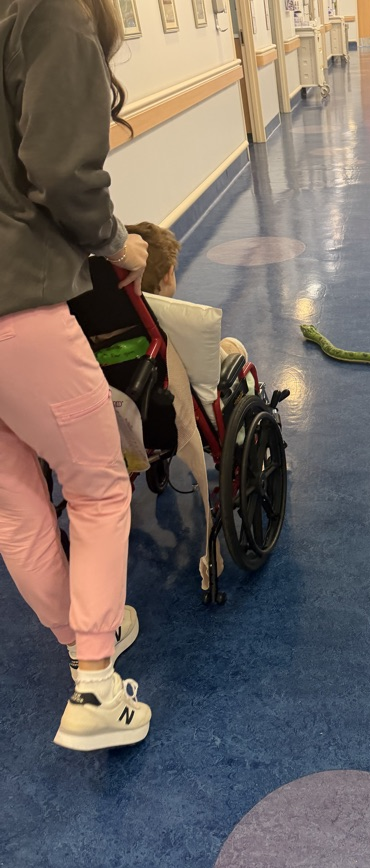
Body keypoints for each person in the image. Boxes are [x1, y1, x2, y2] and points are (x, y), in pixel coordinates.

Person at [0, 0, 152, 750]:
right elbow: (62, 169)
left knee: (14, 503)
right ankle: (94, 687)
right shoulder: (53, 12)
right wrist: (117, 243)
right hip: (18, 306)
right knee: (98, 487)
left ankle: (83, 634)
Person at [125, 221, 248, 424]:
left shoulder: (105, 322)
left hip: (136, 406)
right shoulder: (187, 324)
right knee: (233, 347)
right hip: (192, 412)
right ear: (168, 275)